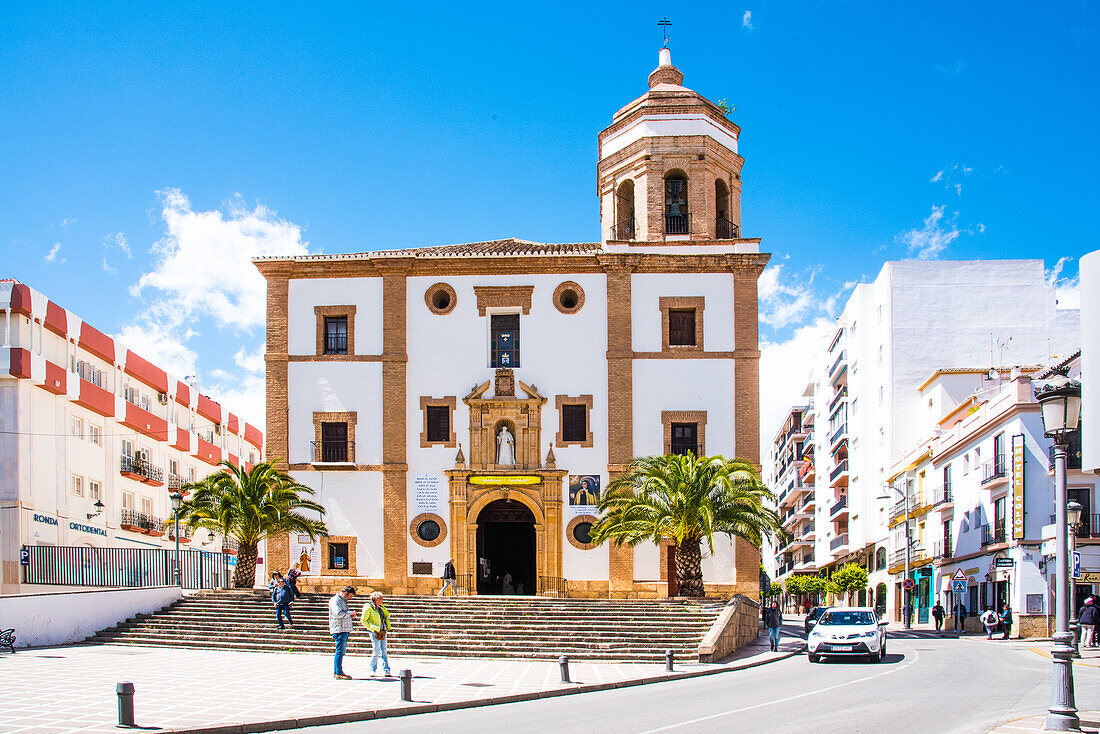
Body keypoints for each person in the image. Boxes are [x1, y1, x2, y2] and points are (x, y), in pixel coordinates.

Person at [361, 591, 392, 677]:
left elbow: (386, 617)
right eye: (380, 598)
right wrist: (372, 629)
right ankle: (372, 669)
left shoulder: (381, 608)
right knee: (376, 651)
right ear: (375, 599)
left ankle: (386, 670)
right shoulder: (368, 608)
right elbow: (363, 620)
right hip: (375, 632)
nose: (382, 600)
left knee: (384, 651)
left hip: (383, 631)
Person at [328, 585, 356, 679]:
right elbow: (338, 613)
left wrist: (349, 615)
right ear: (345, 593)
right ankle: (338, 673)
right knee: (339, 651)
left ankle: (339, 671)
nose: (351, 598)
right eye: (350, 596)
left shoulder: (342, 601)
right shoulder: (335, 600)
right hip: (339, 629)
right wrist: (350, 613)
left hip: (344, 628)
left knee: (341, 651)